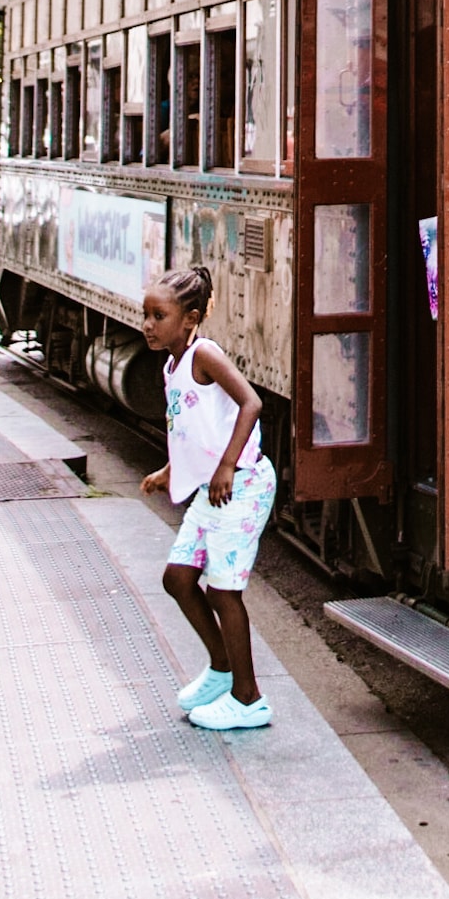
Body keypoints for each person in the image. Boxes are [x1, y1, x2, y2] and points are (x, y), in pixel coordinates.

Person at [138, 265, 277, 731]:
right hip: (214, 488)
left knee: (222, 590)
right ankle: (221, 671)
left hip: (244, 483)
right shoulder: (172, 365)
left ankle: (248, 697)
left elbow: (251, 403)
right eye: (147, 315)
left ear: (190, 318)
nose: (148, 325)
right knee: (178, 578)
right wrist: (169, 471)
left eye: (159, 316)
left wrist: (226, 466)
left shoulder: (205, 354)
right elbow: (194, 432)